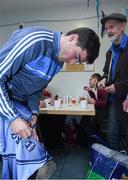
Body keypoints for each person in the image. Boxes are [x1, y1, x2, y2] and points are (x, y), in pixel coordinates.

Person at [0, 26, 100, 179]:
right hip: (5, 102)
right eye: (77, 57)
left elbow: (36, 89)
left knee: (30, 147)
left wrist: (33, 113)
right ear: (73, 38)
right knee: (20, 154)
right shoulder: (34, 40)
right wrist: (13, 118)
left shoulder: (58, 63)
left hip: (19, 105)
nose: (73, 63)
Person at [99, 13, 128, 151]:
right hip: (113, 103)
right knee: (112, 137)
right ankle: (117, 169)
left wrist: (117, 87)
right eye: (106, 28)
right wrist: (103, 79)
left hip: (126, 101)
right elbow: (106, 72)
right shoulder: (110, 52)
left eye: (112, 27)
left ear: (122, 26)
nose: (108, 31)